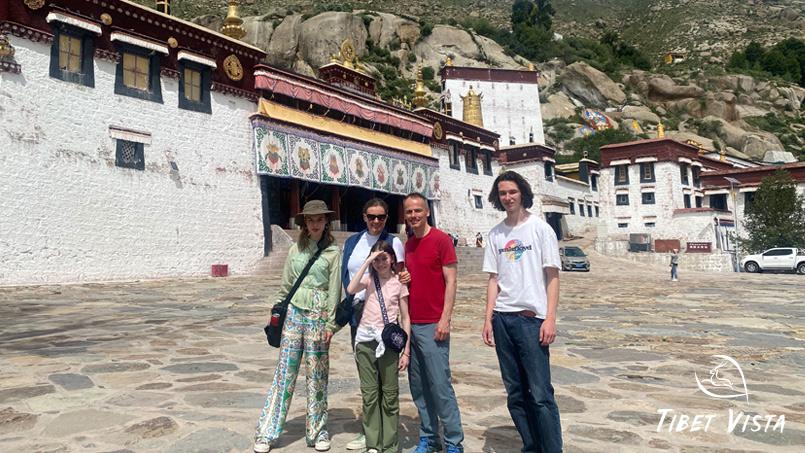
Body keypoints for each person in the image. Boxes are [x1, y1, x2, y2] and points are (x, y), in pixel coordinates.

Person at [481, 171, 563, 453]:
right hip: (503, 319)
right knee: (515, 393)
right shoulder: (495, 234)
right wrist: (488, 319)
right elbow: (493, 279)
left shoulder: (540, 229)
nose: (508, 198)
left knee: (540, 394)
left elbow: (552, 276)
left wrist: (550, 318)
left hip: (531, 320)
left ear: (522, 193)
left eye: (512, 192)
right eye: (502, 193)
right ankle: (531, 446)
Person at [254, 200, 342, 453]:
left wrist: (331, 324)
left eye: (319, 219)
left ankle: (318, 430)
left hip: (318, 313)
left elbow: (334, 289)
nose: (315, 224)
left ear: (326, 222)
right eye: (310, 220)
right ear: (305, 223)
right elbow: (286, 284)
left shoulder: (333, 252)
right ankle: (267, 431)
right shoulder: (295, 250)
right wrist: (278, 312)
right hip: (294, 313)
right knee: (285, 373)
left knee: (317, 374)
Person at [341, 198, 407, 451]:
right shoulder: (352, 242)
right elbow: (346, 278)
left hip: (385, 319)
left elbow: (401, 276)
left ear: (386, 218)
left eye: (381, 217)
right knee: (367, 379)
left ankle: (386, 437)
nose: (376, 221)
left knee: (386, 382)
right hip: (359, 315)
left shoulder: (394, 242)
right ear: (364, 216)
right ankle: (369, 432)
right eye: (371, 216)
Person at [403, 192, 464, 453]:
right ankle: (429, 437)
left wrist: (445, 319)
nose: (413, 216)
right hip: (410, 324)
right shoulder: (407, 245)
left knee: (440, 385)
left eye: (418, 211)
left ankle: (454, 441)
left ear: (427, 211)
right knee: (418, 386)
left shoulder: (441, 240)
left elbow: (451, 281)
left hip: (433, 324)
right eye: (409, 212)